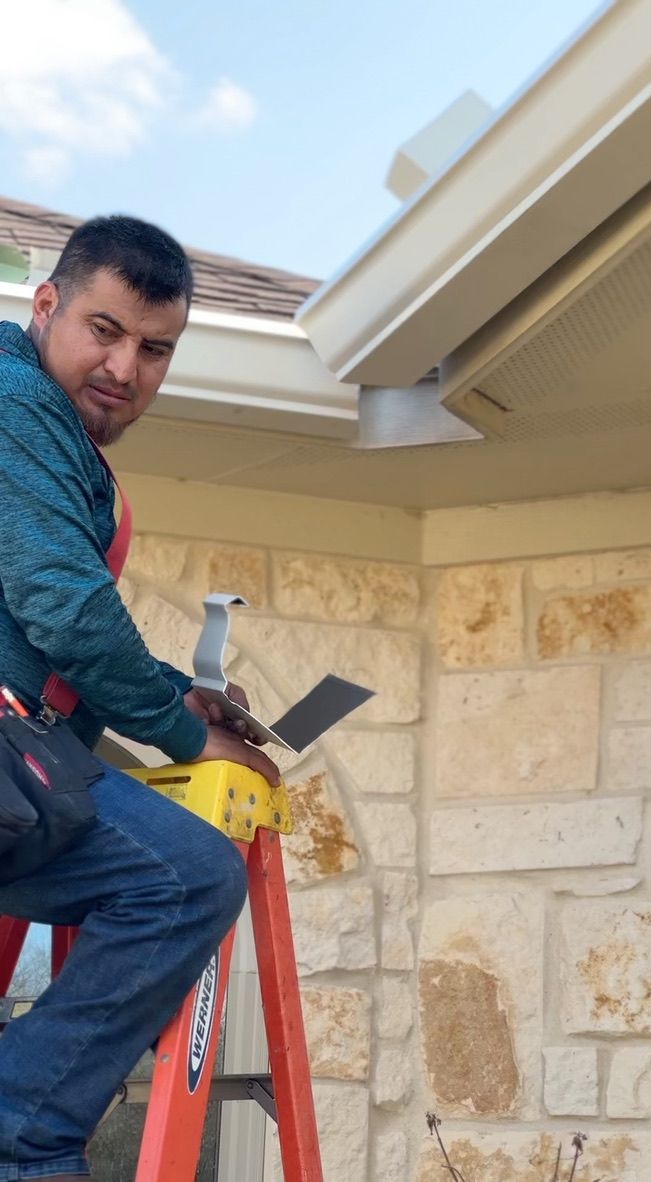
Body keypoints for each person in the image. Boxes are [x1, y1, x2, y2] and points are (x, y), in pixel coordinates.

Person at [0, 214, 280, 1181]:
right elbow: (63, 607)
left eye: (155, 348)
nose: (126, 366)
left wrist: (179, 695)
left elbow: (49, 631)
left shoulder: (38, 423)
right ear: (47, 306)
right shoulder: (11, 400)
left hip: (22, 750)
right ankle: (21, 1126)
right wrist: (178, 734)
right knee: (182, 877)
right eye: (104, 331)